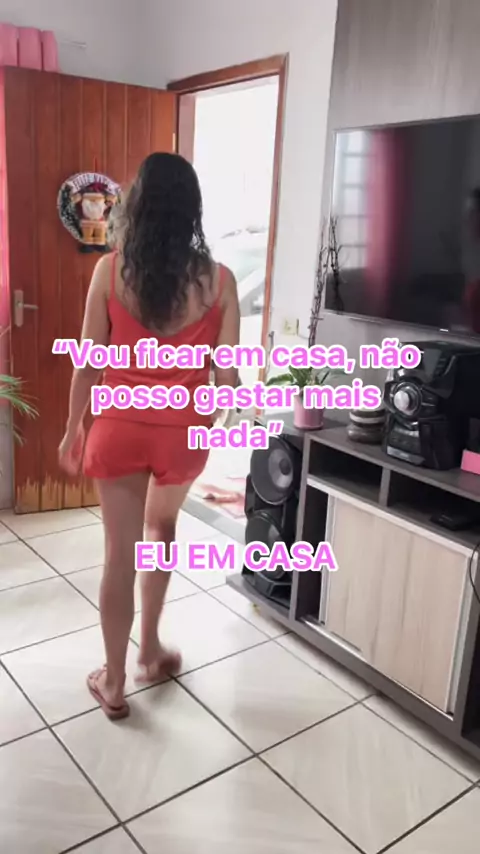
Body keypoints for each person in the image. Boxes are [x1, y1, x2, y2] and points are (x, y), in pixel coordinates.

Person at [58, 153, 240, 720]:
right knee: (160, 531)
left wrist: (72, 428)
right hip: (181, 433)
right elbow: (226, 379)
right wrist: (212, 418)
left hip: (117, 429)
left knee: (119, 556)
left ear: (136, 206)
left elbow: (88, 365)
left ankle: (114, 682)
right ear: (192, 210)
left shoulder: (110, 272)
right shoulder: (220, 281)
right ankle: (151, 650)